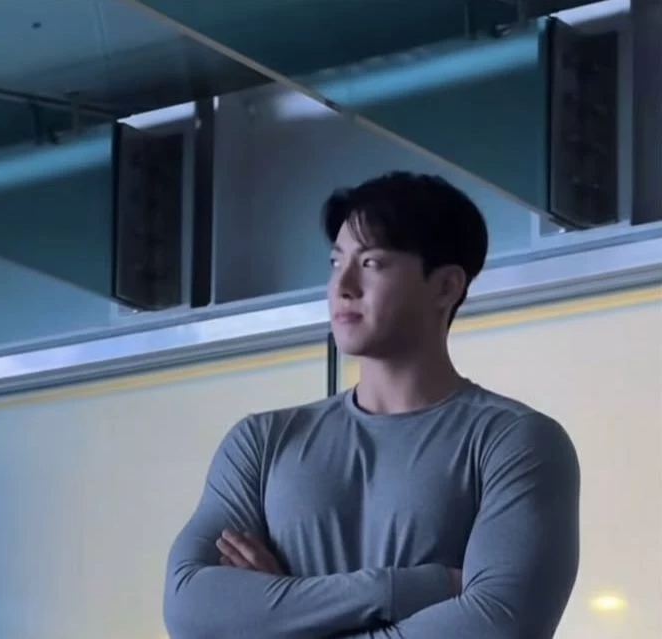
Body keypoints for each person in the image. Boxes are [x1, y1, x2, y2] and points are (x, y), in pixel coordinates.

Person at [162, 172, 580, 639]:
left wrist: (278, 614)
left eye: (372, 263)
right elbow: (189, 607)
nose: (343, 285)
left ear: (445, 287)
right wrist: (409, 587)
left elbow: (497, 625)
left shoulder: (515, 441)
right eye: (336, 261)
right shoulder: (261, 442)